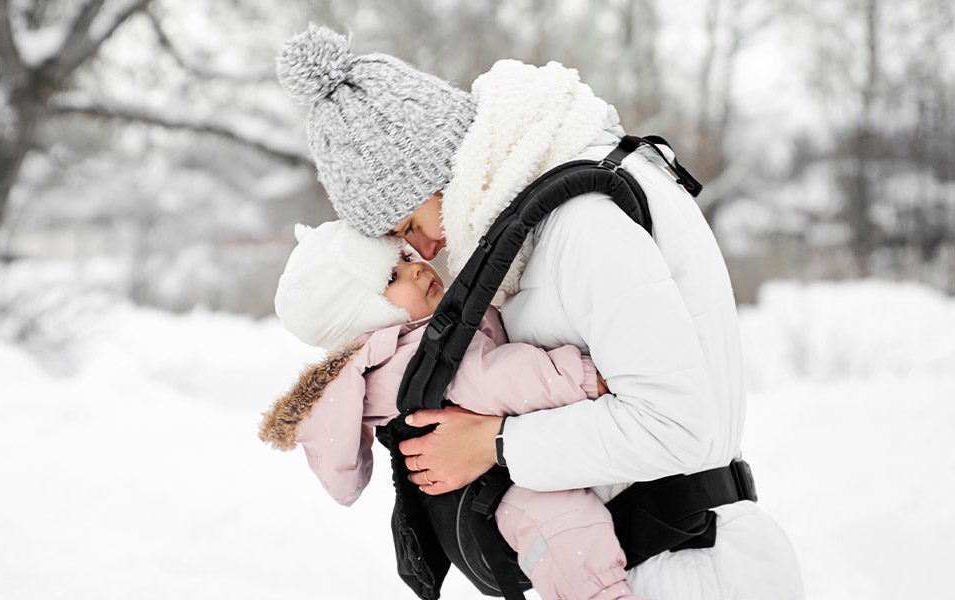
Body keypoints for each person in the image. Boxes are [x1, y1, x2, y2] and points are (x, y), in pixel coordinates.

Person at [275, 25, 803, 600]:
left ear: (434, 173)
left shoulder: (582, 224)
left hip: (690, 570)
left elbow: (675, 424)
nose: (425, 251)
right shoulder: (536, 229)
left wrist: (494, 443)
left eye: (408, 227)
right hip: (654, 566)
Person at [260, 220, 647, 600]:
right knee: (567, 523)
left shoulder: (411, 344)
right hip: (488, 509)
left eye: (406, 257)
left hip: (478, 505)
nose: (415, 268)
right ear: (364, 318)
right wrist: (579, 376)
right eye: (391, 279)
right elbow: (495, 379)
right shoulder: (412, 358)